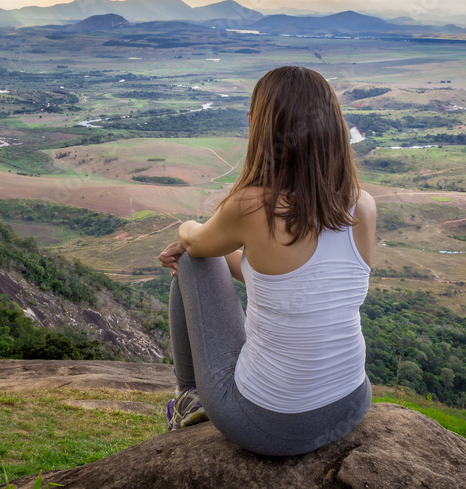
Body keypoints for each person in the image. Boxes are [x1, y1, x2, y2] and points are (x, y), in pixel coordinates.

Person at [158, 65, 376, 457]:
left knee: (193, 260)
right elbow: (284, 283)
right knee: (207, 255)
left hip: (272, 425)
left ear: (258, 126)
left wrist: (185, 230)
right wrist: (224, 251)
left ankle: (189, 396)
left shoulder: (254, 206)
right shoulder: (362, 206)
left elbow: (194, 242)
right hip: (352, 402)